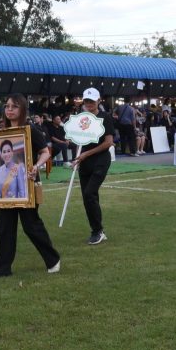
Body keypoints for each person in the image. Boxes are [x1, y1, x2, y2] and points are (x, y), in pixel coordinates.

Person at [0, 93, 60, 278]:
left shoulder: (30, 130)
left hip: (27, 185)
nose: (9, 110)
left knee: (31, 226)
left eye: (14, 106)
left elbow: (45, 152)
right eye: (7, 106)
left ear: (22, 109)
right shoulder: (1, 132)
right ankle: (2, 268)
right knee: (4, 228)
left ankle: (53, 260)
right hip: (6, 192)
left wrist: (36, 166)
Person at [72, 88, 114, 245]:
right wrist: (78, 156)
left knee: (89, 193)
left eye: (92, 101)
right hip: (85, 162)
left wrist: (86, 154)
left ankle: (98, 231)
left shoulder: (105, 117)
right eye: (86, 101)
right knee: (88, 197)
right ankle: (97, 230)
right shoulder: (81, 118)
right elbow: (78, 140)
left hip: (100, 160)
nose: (89, 103)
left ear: (98, 101)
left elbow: (108, 142)